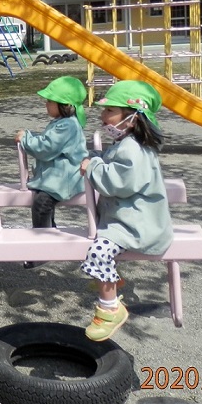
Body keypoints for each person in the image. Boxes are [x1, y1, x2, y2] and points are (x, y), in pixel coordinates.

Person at [78, 80, 173, 342]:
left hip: (137, 226)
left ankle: (110, 309)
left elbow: (118, 183)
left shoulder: (132, 149)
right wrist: (98, 159)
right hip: (131, 220)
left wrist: (93, 167)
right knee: (100, 248)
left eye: (110, 110)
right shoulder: (128, 143)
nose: (103, 115)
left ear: (132, 118)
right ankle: (111, 280)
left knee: (98, 253)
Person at [14, 76, 89, 249]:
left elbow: (46, 148)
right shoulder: (62, 122)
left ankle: (43, 246)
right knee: (43, 200)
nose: (46, 104)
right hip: (57, 177)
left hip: (66, 178)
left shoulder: (68, 125)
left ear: (65, 105)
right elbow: (48, 141)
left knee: (42, 204)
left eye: (49, 101)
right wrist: (30, 136)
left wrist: (25, 139)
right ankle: (49, 233)